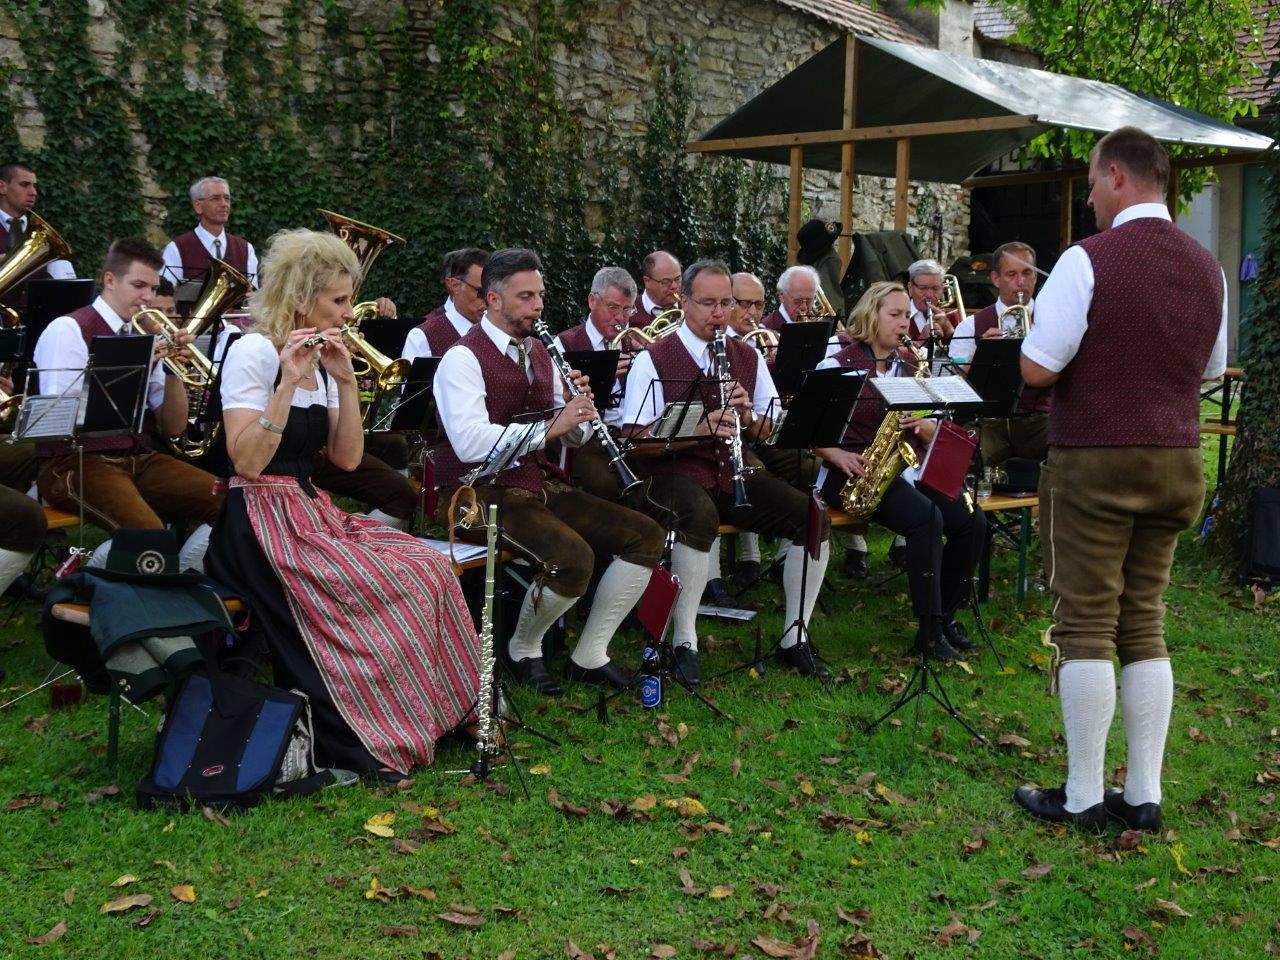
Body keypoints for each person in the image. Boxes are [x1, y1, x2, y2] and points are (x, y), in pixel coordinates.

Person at [205, 228, 482, 779]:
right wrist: (287, 383)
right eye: (337, 300)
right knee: (388, 581)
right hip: (259, 520)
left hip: (309, 510)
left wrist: (344, 381)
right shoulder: (254, 351)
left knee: (429, 567)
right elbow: (247, 463)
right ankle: (375, 723)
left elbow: (348, 459)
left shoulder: (322, 354)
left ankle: (445, 710)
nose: (348, 313)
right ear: (300, 297)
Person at [1013, 127, 1227, 833]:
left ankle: (1081, 796)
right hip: (1178, 459)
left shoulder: (1087, 258)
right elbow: (1211, 370)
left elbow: (1038, 368)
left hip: (1096, 459)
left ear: (1116, 177)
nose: (1090, 201)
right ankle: (1143, 795)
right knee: (1144, 620)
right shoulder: (1208, 266)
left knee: (1085, 623)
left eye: (1092, 184)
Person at [433, 248, 665, 695]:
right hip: (474, 494)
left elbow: (571, 438)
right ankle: (523, 649)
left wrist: (578, 413)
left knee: (645, 535)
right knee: (572, 558)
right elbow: (469, 443)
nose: (538, 306)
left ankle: (590, 653)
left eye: (540, 295)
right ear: (493, 299)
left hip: (536, 484)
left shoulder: (540, 351)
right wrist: (550, 426)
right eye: (526, 297)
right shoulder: (461, 358)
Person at [622, 259, 831, 682]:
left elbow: (771, 429)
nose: (718, 313)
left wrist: (748, 417)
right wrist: (698, 430)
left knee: (812, 517)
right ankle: (685, 641)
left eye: (725, 303)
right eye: (707, 303)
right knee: (698, 517)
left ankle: (795, 635)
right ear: (684, 302)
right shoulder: (653, 359)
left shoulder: (746, 355)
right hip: (673, 472)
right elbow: (635, 438)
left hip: (736, 469)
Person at [814, 281, 986, 661]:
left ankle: (946, 617)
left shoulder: (913, 365)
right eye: (894, 314)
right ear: (870, 316)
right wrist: (838, 455)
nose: (904, 322)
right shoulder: (837, 365)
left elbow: (936, 428)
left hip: (906, 465)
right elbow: (809, 430)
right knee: (927, 518)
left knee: (972, 521)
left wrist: (922, 425)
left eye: (907, 314)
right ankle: (929, 630)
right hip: (854, 470)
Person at [31, 238, 221, 570]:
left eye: (153, 287)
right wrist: (136, 366)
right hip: (75, 461)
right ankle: (85, 575)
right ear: (110, 280)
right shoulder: (68, 329)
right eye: (138, 285)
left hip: (136, 457)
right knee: (150, 537)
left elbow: (173, 426)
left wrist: (175, 370)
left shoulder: (145, 336)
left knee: (232, 503)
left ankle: (183, 575)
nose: (148, 297)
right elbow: (58, 418)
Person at [951, 241, 1050, 466]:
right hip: (989, 422)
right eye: (1012, 275)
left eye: (1027, 273)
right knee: (961, 459)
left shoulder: (1053, 320)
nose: (1021, 282)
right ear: (995, 279)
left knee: (1068, 450)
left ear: (1035, 276)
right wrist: (984, 355)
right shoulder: (970, 326)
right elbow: (955, 384)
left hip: (1040, 420)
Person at [553, 266, 637, 499]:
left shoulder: (634, 342)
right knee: (605, 485)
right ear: (592, 300)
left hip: (629, 435)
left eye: (627, 309)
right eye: (613, 308)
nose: (621, 318)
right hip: (586, 438)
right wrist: (603, 377)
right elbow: (559, 405)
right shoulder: (564, 344)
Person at [161, 176, 258, 287]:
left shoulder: (246, 249)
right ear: (198, 206)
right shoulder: (176, 249)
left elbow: (253, 295)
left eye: (227, 198)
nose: (224, 204)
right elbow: (165, 294)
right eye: (215, 199)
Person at [401, 248, 490, 362]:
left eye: (493, 294)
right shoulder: (422, 338)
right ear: (454, 285)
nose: (488, 300)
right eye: (481, 292)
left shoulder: (502, 332)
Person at [0, 161, 76, 279]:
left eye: (34, 186)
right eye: (24, 185)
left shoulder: (43, 232)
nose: (33, 193)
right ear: (2, 187)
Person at [905, 259, 957, 344]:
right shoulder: (898, 317)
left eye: (936, 288)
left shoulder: (950, 317)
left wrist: (950, 333)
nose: (929, 295)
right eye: (923, 288)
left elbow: (963, 351)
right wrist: (921, 341)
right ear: (910, 288)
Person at [632, 250, 682, 327]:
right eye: (666, 281)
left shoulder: (691, 306)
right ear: (647, 281)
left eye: (678, 279)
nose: (674, 286)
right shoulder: (628, 313)